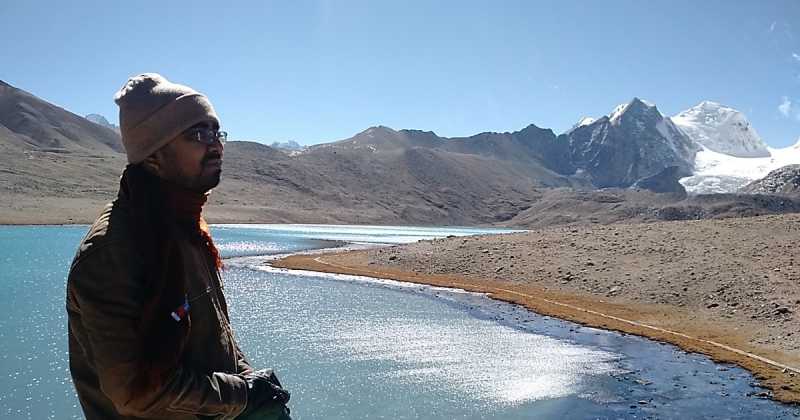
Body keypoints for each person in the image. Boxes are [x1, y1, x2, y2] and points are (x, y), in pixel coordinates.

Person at [66, 73, 290, 419]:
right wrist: (243, 394)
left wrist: (251, 382)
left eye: (217, 132)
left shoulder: (187, 229)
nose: (215, 145)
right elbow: (136, 394)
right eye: (198, 135)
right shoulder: (111, 253)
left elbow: (216, 337)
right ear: (153, 155)